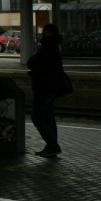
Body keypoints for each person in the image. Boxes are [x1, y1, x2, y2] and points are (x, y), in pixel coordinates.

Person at [27, 23, 68, 157]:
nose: (42, 33)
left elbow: (33, 63)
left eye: (44, 31)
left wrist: (34, 69)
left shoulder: (47, 48)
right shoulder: (55, 47)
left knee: (37, 117)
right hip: (52, 87)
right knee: (49, 117)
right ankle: (51, 146)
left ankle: (53, 145)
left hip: (44, 87)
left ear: (50, 33)